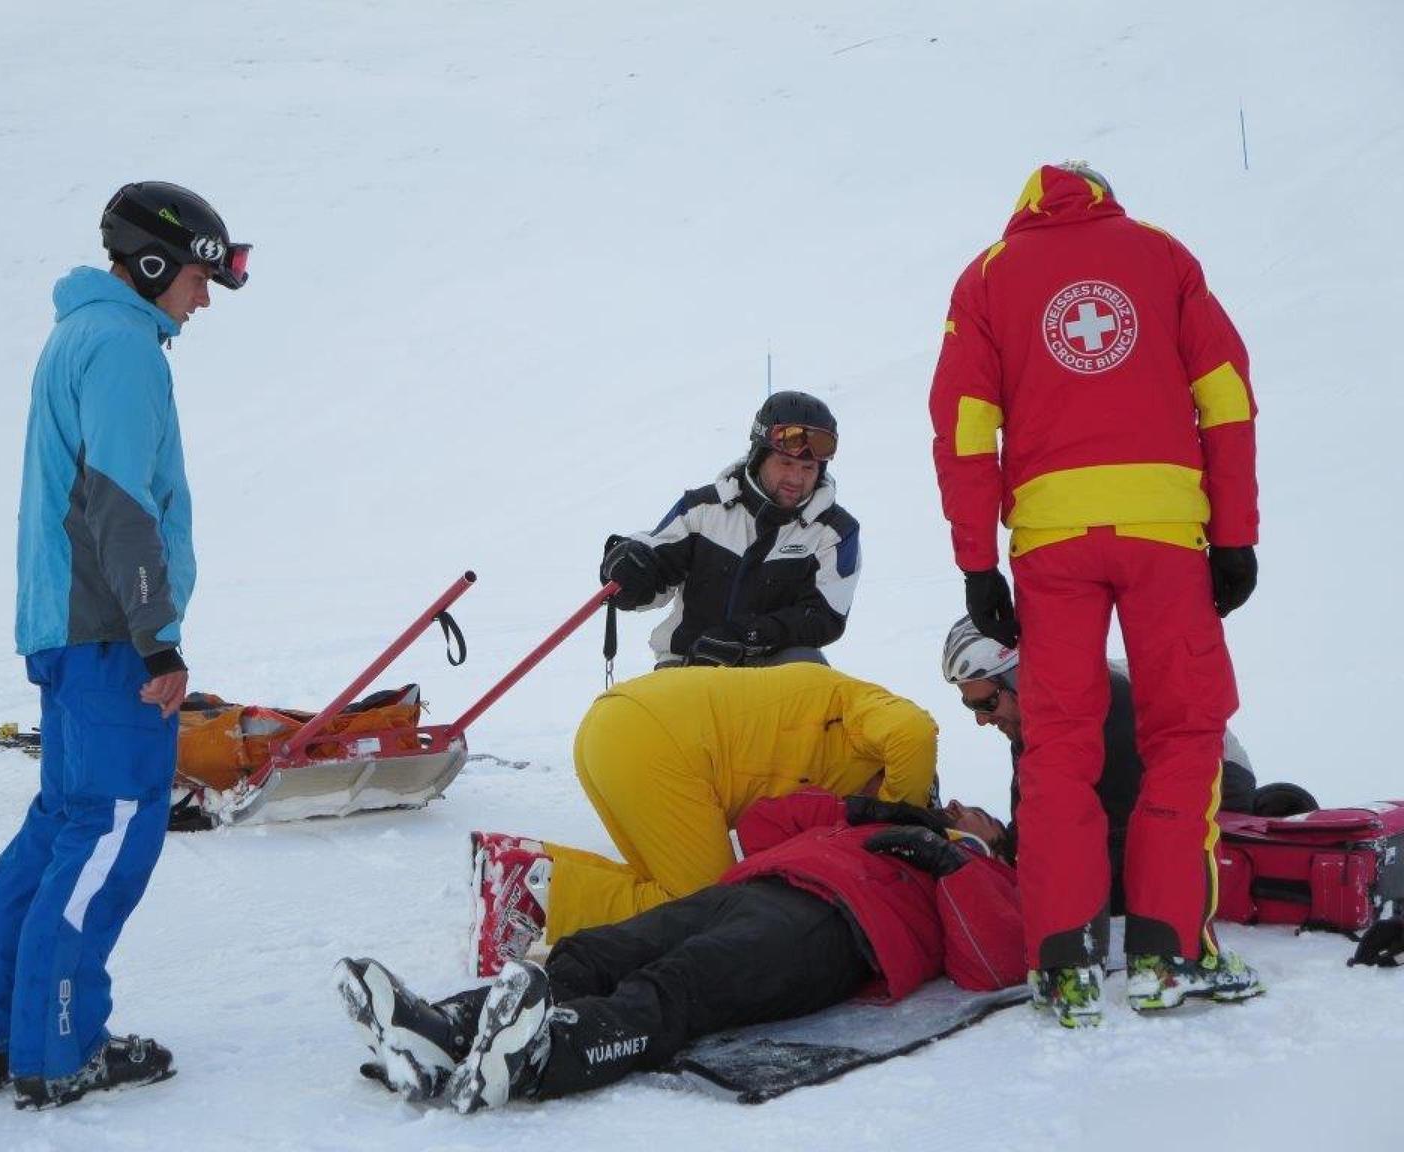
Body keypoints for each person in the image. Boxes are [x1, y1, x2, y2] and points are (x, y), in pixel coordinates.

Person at [929, 160, 1262, 1025]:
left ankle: (1063, 964)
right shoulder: (1162, 255)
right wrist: (1235, 536)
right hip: (1164, 539)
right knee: (1185, 733)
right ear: (1107, 196)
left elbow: (964, 428)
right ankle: (1166, 953)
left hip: (1051, 545)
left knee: (1059, 749)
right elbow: (1226, 401)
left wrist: (977, 563)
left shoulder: (993, 272)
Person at [0, 182, 251, 1109]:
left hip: (67, 628)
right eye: (203, 277)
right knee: (112, 830)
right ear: (157, 264)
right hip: (108, 635)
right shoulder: (122, 347)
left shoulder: (82, 334)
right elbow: (120, 502)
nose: (204, 299)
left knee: (61, 828)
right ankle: (61, 1047)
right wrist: (157, 640)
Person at [337, 789, 1028, 1111]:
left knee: (682, 982)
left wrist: (951, 862)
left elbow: (990, 962)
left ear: (995, 836)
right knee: (595, 952)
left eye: (980, 813)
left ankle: (546, 1055)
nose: (962, 805)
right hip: (751, 890)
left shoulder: (988, 874)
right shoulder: (886, 826)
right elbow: (762, 823)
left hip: (833, 928)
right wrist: (857, 810)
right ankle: (445, 1028)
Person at [468, 663, 939, 976]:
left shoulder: (827, 742)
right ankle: (532, 896)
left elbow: (759, 830)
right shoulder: (865, 713)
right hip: (658, 744)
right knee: (700, 903)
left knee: (658, 882)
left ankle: (520, 863)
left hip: (619, 727)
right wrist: (897, 816)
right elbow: (914, 733)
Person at [940, 616, 1262, 915]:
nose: (981, 719)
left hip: (1219, 782)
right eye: (970, 706)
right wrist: (995, 836)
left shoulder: (1107, 715)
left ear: (1021, 677)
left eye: (986, 703)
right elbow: (1042, 817)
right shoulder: (1033, 715)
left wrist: (1005, 850)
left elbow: (1115, 860)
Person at [599, 391, 860, 669]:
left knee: (808, 664)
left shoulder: (834, 531)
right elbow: (656, 565)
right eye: (786, 463)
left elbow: (825, 616)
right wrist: (631, 568)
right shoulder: (704, 509)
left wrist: (748, 637)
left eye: (808, 468)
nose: (796, 478)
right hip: (689, 665)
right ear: (759, 457)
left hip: (774, 673)